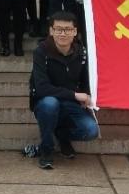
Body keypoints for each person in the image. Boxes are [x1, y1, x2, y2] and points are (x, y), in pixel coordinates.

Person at [26, 12, 98, 170]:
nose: (63, 34)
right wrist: (75, 95)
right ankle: (46, 149)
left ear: (75, 31)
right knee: (50, 103)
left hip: (70, 104)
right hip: (45, 101)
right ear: (51, 31)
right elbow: (42, 88)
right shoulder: (41, 52)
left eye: (67, 29)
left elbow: (86, 80)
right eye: (58, 29)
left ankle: (62, 135)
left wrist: (86, 96)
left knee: (91, 130)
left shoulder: (81, 52)